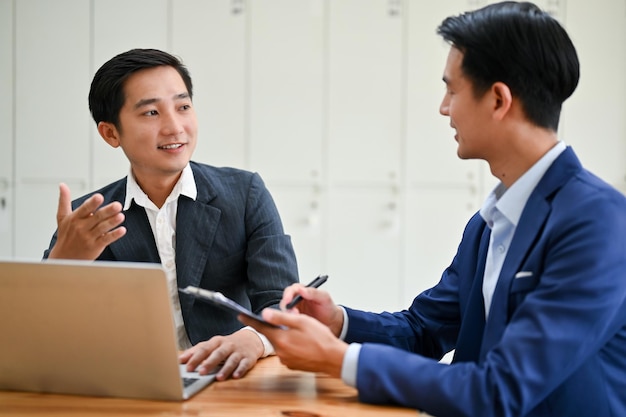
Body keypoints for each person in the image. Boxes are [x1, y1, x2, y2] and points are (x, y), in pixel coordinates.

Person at [238, 2, 626, 416]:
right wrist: (337, 322)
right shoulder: (489, 224)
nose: (444, 107)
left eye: (452, 90)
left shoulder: (598, 221)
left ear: (498, 99)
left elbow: (500, 390)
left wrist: (338, 359)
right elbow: (423, 330)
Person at [43, 48, 299, 381]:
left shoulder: (245, 193)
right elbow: (46, 334)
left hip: (227, 379)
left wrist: (255, 339)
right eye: (151, 112)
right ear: (111, 133)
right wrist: (64, 263)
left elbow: (283, 302)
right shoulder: (89, 217)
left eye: (183, 107)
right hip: (127, 382)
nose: (174, 127)